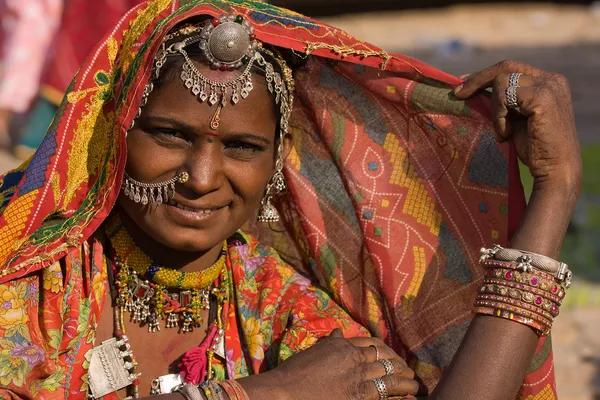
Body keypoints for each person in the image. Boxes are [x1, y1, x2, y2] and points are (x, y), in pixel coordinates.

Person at [0, 1, 580, 400]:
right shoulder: (29, 272)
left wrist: (554, 190)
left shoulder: (277, 306)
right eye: (171, 135)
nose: (202, 178)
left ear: (277, 162)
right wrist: (264, 394)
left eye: (242, 147)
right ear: (114, 131)